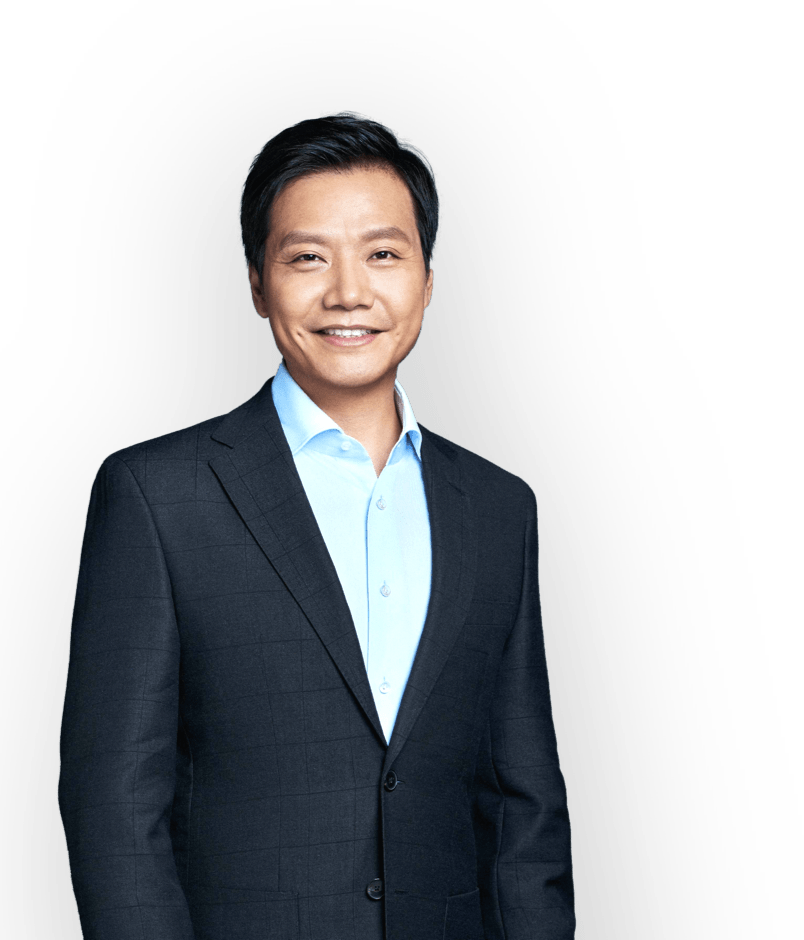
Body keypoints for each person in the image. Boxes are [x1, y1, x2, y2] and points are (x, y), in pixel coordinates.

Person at [57, 111, 576, 940]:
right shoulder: (157, 495)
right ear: (257, 285)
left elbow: (526, 809)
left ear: (427, 280)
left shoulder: (498, 506)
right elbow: (116, 808)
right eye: (307, 257)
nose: (348, 293)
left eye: (383, 254)